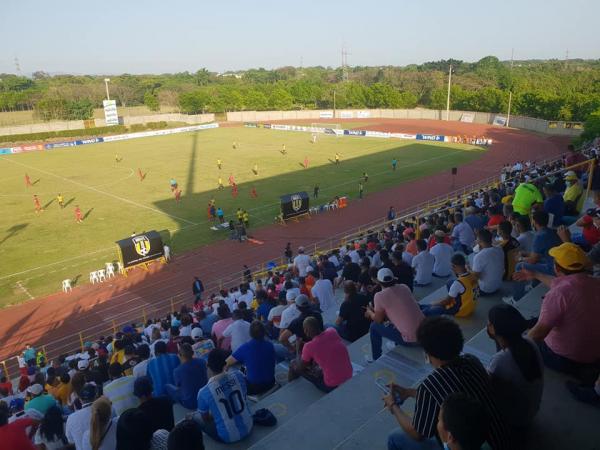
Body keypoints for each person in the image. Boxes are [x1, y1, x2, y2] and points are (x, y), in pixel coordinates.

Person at [385, 317, 510, 450]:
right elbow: (450, 392)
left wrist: (393, 406)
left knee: (394, 438)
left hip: (467, 445)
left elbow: (418, 433)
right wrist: (409, 392)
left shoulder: (430, 385)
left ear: (429, 353)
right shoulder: (472, 360)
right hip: (500, 439)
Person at [517, 243, 600, 380]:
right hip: (595, 353)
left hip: (565, 358)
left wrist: (514, 350)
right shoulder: (594, 282)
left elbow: (538, 334)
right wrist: (536, 274)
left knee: (526, 338)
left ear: (556, 268)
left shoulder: (558, 294)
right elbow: (562, 283)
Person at [487, 305, 543, 431]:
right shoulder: (530, 343)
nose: (487, 325)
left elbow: (485, 386)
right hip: (531, 411)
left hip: (514, 421)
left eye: (489, 322)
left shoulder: (500, 360)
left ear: (494, 328)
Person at [365, 268, 425, 360]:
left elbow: (378, 319)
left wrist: (369, 312)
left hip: (412, 341)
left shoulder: (379, 296)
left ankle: (376, 357)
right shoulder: (404, 287)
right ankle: (395, 342)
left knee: (374, 327)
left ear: (379, 282)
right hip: (426, 332)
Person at [196, 348, 253, 443]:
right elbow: (243, 397)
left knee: (194, 417)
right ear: (225, 364)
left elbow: (206, 419)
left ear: (207, 365)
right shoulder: (239, 375)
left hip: (228, 437)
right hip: (249, 424)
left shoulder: (203, 392)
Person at [507, 211, 561, 303]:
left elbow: (533, 260)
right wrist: (526, 254)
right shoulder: (552, 231)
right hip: (557, 263)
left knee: (519, 266)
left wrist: (520, 259)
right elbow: (537, 255)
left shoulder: (539, 236)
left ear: (534, 222)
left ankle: (517, 298)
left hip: (553, 268)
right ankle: (533, 285)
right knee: (535, 262)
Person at [289, 317, 353, 392]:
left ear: (306, 331)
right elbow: (325, 347)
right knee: (316, 364)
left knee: (293, 363)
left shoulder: (309, 347)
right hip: (349, 374)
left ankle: (290, 387)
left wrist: (298, 349)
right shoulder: (332, 331)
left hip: (331, 385)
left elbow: (300, 367)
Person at [226, 321, 276, 395]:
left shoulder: (245, 347)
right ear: (264, 332)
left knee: (232, 369)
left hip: (254, 388)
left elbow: (226, 363)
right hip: (271, 382)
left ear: (250, 333)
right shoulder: (270, 345)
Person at [165, 343, 208, 409]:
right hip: (205, 397)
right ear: (193, 353)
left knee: (167, 386)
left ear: (179, 355)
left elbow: (178, 386)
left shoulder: (177, 371)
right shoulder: (202, 362)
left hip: (190, 403)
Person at [66, 383, 99, 449]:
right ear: (96, 396)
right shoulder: (106, 409)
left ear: (80, 400)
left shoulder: (71, 418)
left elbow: (71, 441)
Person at [471, 229, 504, 295]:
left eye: (477, 239)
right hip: (499, 284)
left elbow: (474, 278)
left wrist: (468, 269)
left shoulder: (479, 256)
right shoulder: (500, 249)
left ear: (479, 241)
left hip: (486, 290)